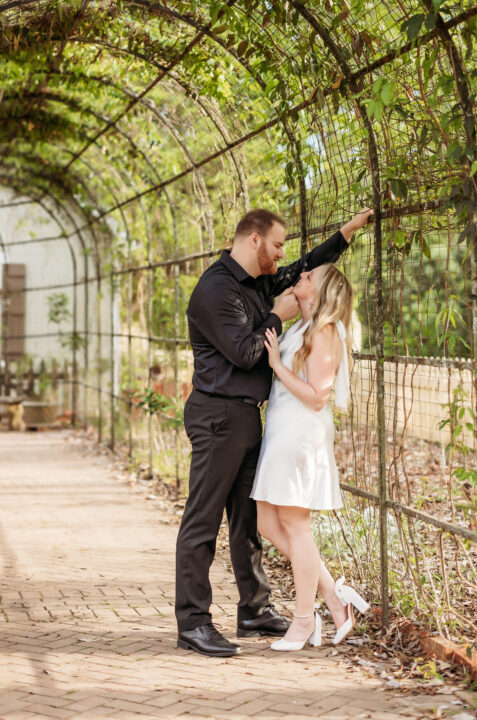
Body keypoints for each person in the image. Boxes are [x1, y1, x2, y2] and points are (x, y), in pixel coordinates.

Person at [175, 206, 373, 657]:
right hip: (217, 415)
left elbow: (308, 266)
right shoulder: (215, 291)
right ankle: (193, 621)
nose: (284, 255)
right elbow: (247, 353)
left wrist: (345, 233)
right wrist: (277, 316)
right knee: (203, 519)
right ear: (254, 241)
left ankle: (255, 610)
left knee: (249, 521)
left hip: (249, 417)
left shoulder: (257, 282)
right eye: (278, 245)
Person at [252, 264, 370, 651]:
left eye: (310, 276)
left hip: (301, 435)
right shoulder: (303, 327)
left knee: (295, 526)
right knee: (268, 522)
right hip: (282, 431)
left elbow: (318, 395)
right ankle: (335, 598)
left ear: (320, 292)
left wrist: (275, 367)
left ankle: (304, 621)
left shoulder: (324, 331)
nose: (302, 274)